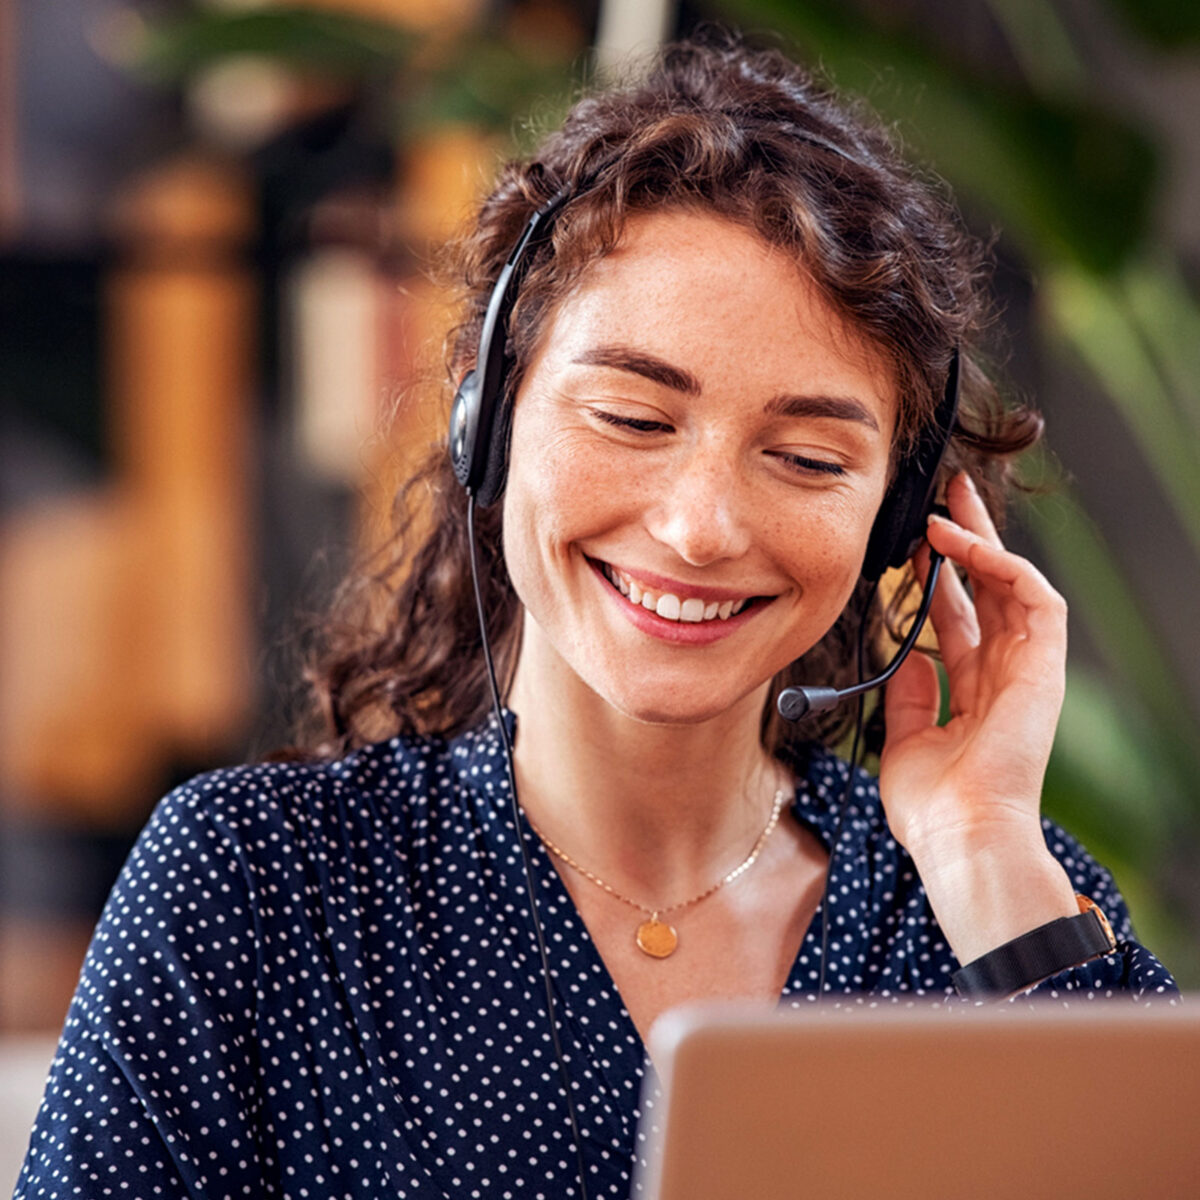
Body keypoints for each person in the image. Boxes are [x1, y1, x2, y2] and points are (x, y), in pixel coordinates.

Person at [16, 29, 1177, 1200]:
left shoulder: (991, 902)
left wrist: (986, 857)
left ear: (895, 519)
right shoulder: (257, 885)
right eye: (633, 418)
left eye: (808, 457)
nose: (702, 525)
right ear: (492, 425)